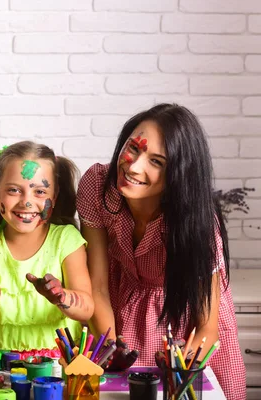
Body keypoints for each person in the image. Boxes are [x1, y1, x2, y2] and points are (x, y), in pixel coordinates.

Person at [76, 103, 245, 399]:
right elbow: (98, 288)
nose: (133, 166)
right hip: (116, 310)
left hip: (185, 324)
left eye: (156, 162)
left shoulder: (199, 221)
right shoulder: (98, 186)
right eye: (133, 148)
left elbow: (207, 328)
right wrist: (113, 349)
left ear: (179, 173)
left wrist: (180, 370)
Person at [0, 141, 93, 359]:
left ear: (54, 198)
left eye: (40, 191)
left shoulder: (66, 239)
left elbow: (86, 307)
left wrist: (61, 296)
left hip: (57, 361)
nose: (26, 202)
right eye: (13, 190)